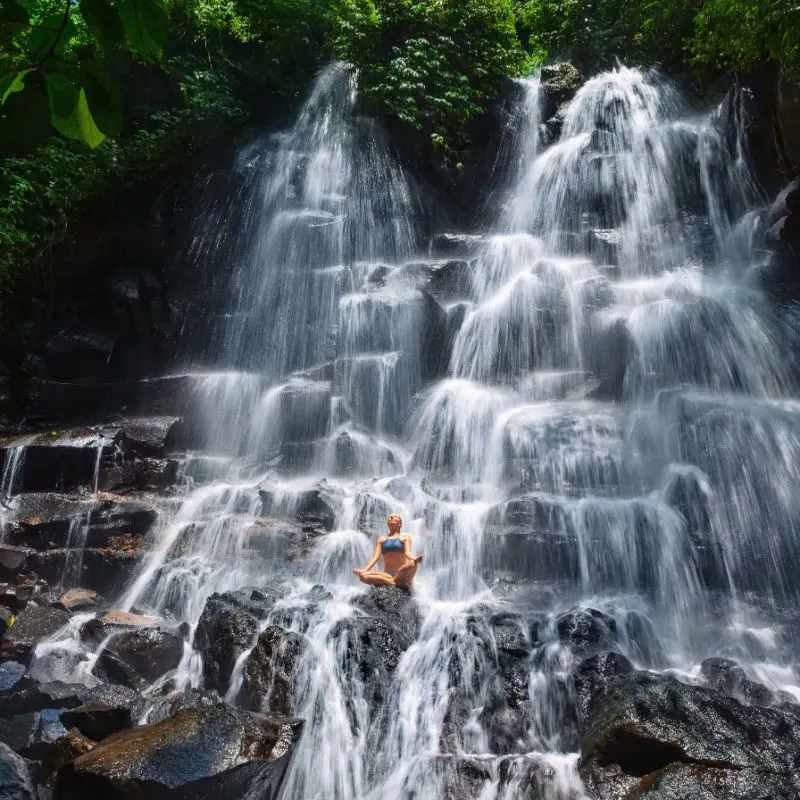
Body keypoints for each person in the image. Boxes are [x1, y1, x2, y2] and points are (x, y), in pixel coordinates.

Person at [354, 513, 422, 589]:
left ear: (400, 524)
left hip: (402, 573)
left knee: (412, 563)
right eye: (390, 517)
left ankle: (393, 581)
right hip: (387, 575)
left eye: (395, 516)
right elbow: (375, 558)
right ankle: (393, 581)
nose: (391, 517)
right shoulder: (381, 539)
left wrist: (415, 559)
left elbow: (408, 552)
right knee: (363, 576)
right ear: (387, 523)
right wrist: (364, 570)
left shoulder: (405, 537)